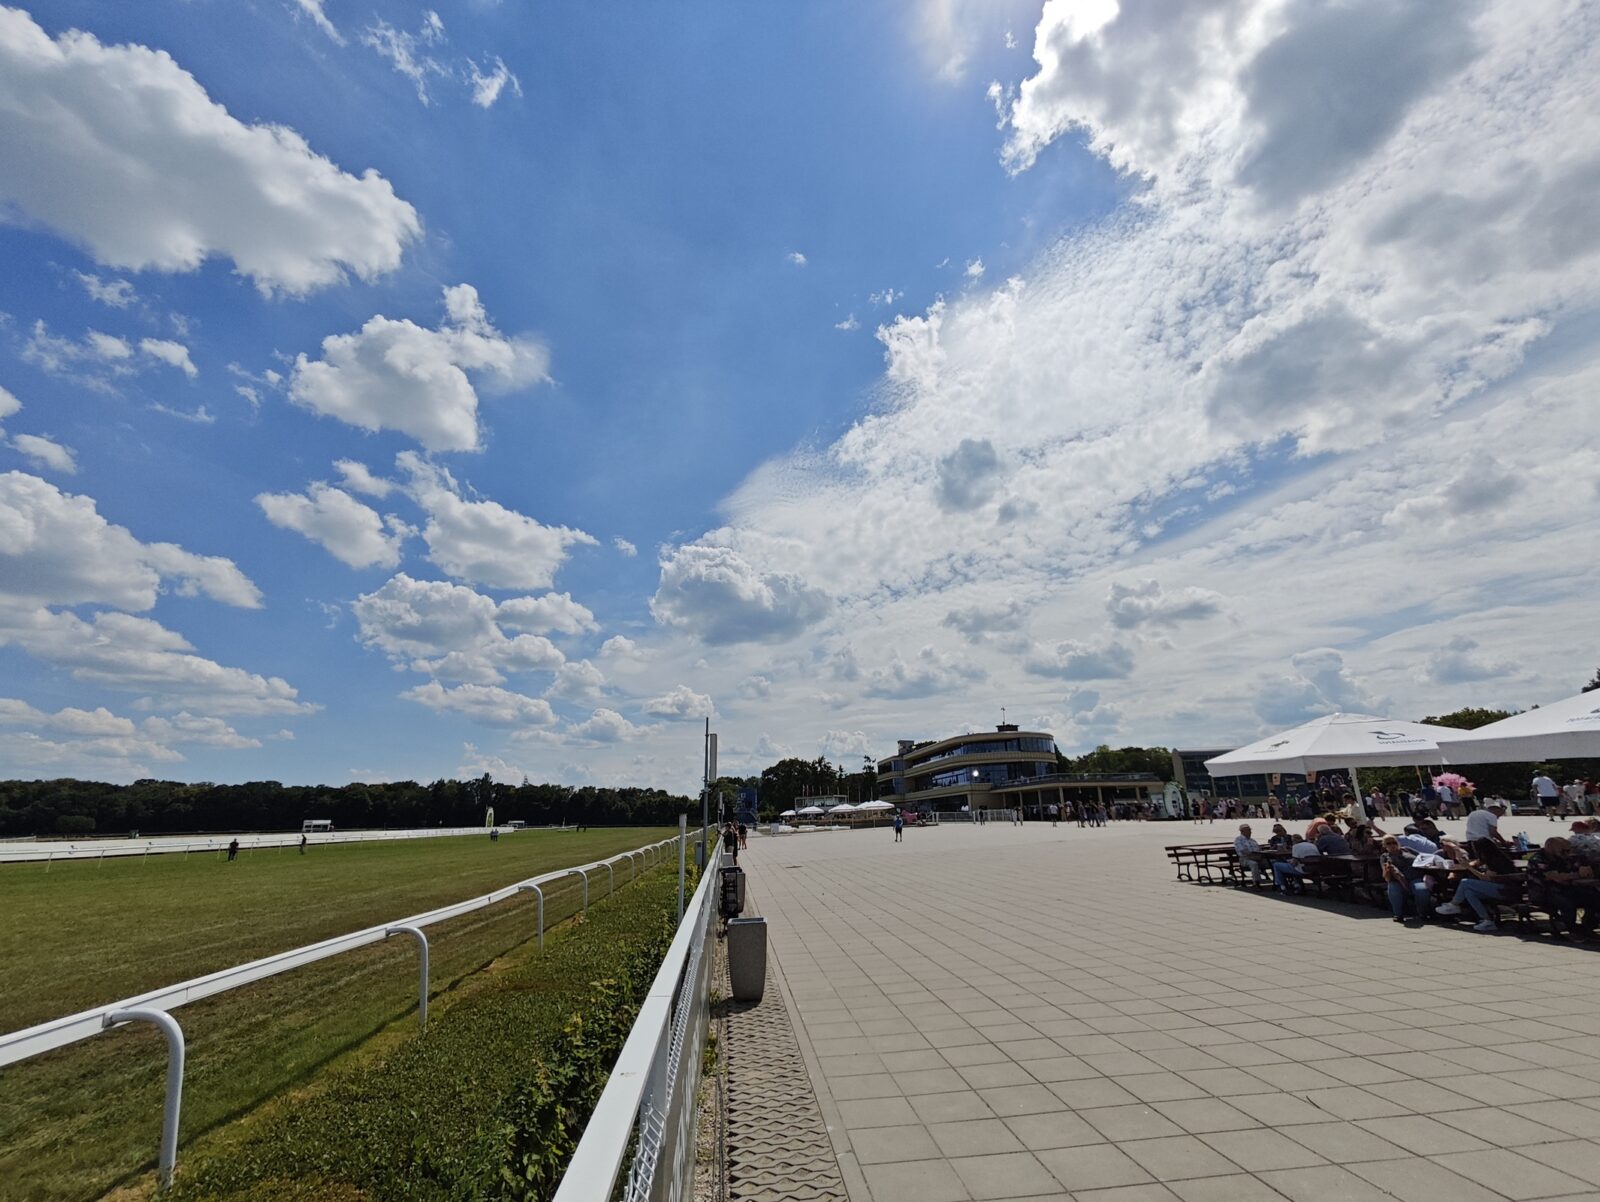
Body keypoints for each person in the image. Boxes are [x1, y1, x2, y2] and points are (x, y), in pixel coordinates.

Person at [1526, 837, 1593, 938]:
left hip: (1563, 889)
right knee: (1566, 903)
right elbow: (1555, 877)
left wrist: (1583, 869)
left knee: (1592, 896)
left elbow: (1582, 870)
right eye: (1563, 851)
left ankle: (1589, 925)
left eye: (1568, 850)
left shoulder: (1565, 858)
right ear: (1550, 848)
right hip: (1542, 892)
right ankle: (1571, 928)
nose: (1567, 853)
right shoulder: (1538, 859)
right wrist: (1577, 875)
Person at [1434, 853, 1511, 932]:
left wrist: (1469, 867)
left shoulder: (1496, 861)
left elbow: (1485, 878)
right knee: (1469, 892)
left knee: (1465, 882)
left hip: (1502, 889)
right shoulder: (1487, 860)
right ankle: (1487, 921)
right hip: (1494, 888)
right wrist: (1468, 864)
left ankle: (1454, 904)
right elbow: (1477, 864)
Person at [1379, 835, 1431, 924]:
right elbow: (1385, 873)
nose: (1392, 845)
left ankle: (1423, 913)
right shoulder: (1385, 857)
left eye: (1394, 842)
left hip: (1415, 877)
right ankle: (1398, 914)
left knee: (1422, 890)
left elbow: (1423, 857)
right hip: (1397, 880)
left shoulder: (1407, 850)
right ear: (1384, 846)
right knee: (1393, 888)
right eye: (1389, 843)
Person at [1234, 824, 1269, 888]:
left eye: (1250, 830)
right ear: (1242, 831)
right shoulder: (1238, 840)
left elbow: (1259, 849)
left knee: (1272, 863)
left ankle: (1277, 882)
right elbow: (1243, 851)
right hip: (1245, 858)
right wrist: (1253, 854)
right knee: (1254, 864)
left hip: (1257, 857)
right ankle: (1256, 882)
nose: (1250, 832)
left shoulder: (1252, 840)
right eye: (1248, 830)